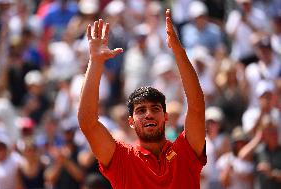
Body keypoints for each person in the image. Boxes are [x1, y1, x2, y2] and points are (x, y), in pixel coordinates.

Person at [77, 9, 206, 189]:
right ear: (130, 121)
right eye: (141, 110)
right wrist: (95, 62)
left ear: (166, 116)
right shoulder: (122, 159)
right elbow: (87, 123)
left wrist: (178, 51)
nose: (148, 114)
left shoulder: (185, 152)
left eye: (155, 109)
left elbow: (197, 108)